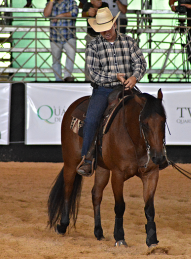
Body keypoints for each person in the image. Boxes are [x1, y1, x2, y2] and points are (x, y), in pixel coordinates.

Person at [76, 7, 147, 176]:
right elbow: (94, 74)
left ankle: (154, 154)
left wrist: (134, 77)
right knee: (92, 119)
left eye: (107, 27)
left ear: (114, 23)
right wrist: (115, 77)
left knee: (148, 115)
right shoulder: (93, 46)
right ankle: (87, 159)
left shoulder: (129, 42)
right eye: (101, 29)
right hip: (103, 90)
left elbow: (141, 63)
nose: (105, 32)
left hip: (127, 88)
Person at [44, 0, 78, 82]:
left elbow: (74, 13)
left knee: (71, 55)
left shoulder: (71, 2)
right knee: (56, 59)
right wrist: (51, 1)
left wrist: (60, 16)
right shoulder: (50, 3)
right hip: (55, 36)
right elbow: (46, 14)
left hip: (69, 36)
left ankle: (67, 76)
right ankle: (58, 79)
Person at [82, 0, 109, 81]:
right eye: (97, 0)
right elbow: (83, 15)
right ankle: (88, 79)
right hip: (91, 36)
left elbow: (107, 15)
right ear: (92, 1)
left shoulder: (104, 5)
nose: (99, 1)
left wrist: (98, 12)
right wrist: (88, 13)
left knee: (104, 58)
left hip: (103, 37)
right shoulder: (87, 5)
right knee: (89, 59)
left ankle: (103, 78)